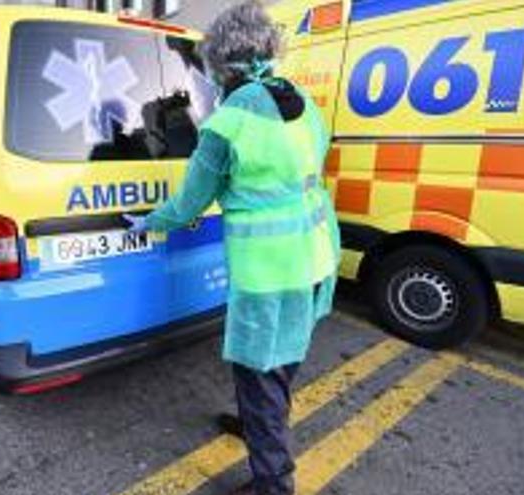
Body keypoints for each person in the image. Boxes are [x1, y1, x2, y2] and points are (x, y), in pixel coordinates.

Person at [123, 2, 341, 494]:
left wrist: (147, 221)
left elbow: (187, 204)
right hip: (316, 256)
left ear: (221, 63)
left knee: (260, 370)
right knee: (283, 359)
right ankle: (257, 423)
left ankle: (274, 482)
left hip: (268, 273)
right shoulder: (303, 102)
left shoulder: (226, 124)